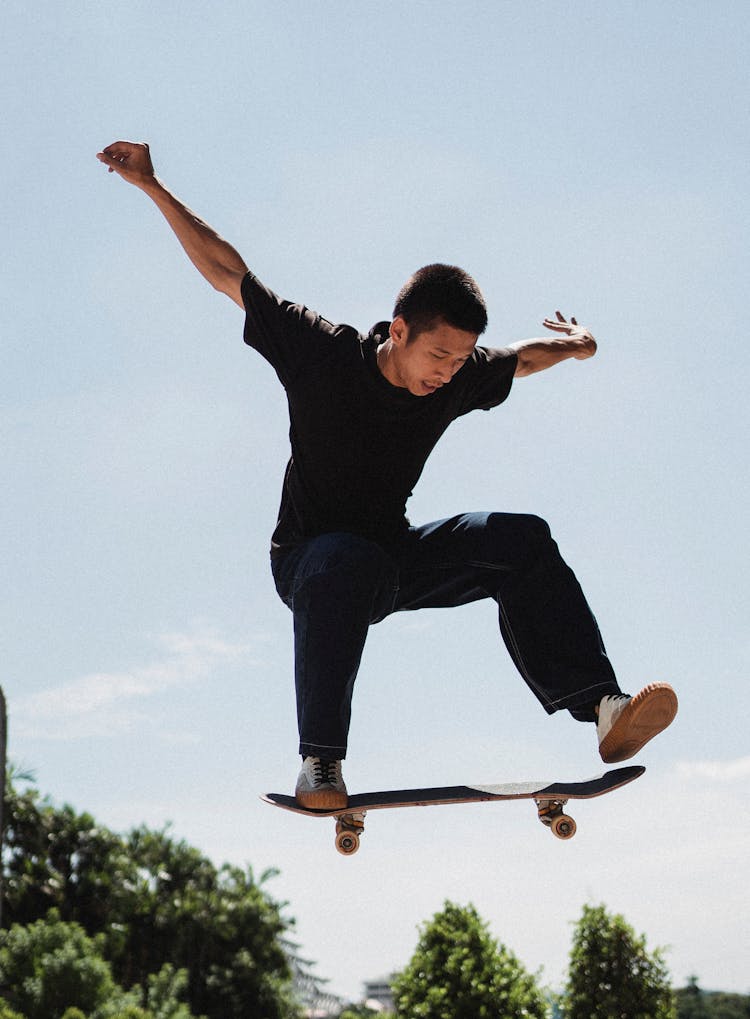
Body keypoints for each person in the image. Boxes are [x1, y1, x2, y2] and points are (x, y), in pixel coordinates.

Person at [97, 140, 678, 809]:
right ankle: (320, 762)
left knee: (521, 538)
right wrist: (152, 185)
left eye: (460, 360)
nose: (449, 372)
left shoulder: (457, 377)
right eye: (439, 354)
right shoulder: (321, 353)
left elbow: (519, 359)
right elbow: (231, 274)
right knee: (340, 557)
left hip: (392, 559)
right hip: (310, 562)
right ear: (399, 330)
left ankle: (601, 706)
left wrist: (578, 347)